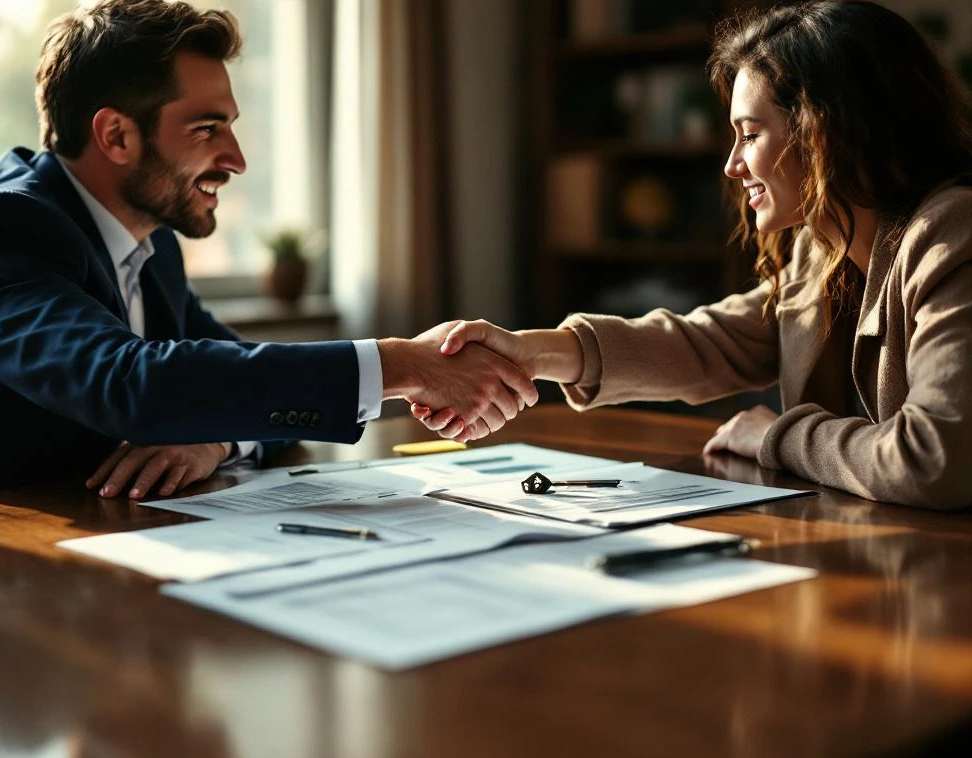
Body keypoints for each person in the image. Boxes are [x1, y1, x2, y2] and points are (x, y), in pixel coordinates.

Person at [0, 0, 536, 500]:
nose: (236, 160)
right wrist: (405, 365)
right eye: (207, 129)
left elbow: (236, 377)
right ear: (116, 135)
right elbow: (134, 386)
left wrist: (216, 437)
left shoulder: (149, 244)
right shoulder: (4, 228)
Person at [415, 0, 972, 510]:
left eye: (749, 134)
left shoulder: (951, 232)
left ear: (824, 133)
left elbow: (936, 458)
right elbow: (709, 342)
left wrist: (774, 437)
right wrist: (529, 353)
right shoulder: (821, 251)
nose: (731, 166)